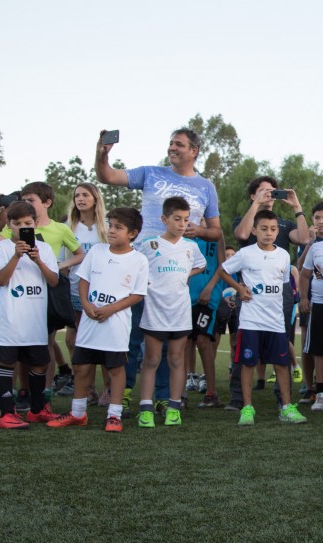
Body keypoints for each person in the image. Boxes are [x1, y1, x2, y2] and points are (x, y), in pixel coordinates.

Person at [95, 127, 222, 412]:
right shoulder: (150, 173)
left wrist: (198, 229)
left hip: (174, 275)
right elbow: (107, 176)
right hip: (139, 269)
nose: (172, 147)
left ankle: (164, 396)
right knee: (130, 336)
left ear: (194, 151)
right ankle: (123, 393)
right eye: (171, 143)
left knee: (167, 342)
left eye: (179, 144)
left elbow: (216, 232)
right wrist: (102, 154)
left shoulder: (206, 187)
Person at [48, 208, 148, 432]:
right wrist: (85, 304)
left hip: (115, 325)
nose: (111, 230)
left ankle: (114, 415)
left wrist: (111, 309)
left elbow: (138, 294)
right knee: (82, 367)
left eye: (118, 227)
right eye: (110, 225)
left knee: (115, 369)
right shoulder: (97, 252)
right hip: (90, 321)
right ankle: (77, 413)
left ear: (133, 233)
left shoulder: (139, 260)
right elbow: (84, 279)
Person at [218, 209, 307, 426]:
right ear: (255, 230)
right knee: (247, 363)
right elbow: (222, 271)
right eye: (264, 229)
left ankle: (286, 407)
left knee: (281, 363)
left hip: (275, 321)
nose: (269, 233)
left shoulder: (284, 255)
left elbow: (285, 282)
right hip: (250, 321)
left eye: (273, 229)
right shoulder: (246, 253)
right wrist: (239, 288)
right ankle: (247, 408)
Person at [135, 197, 206, 428]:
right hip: (155, 310)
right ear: (164, 219)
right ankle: (146, 407)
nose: (182, 224)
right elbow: (135, 264)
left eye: (186, 220)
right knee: (152, 359)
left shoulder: (191, 246)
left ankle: (173, 407)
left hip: (180, 312)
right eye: (177, 219)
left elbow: (201, 265)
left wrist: (185, 275)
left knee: (177, 359)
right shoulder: (148, 244)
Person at [0, 201, 59, 429]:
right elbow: (0, 280)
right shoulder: (1, 248)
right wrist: (16, 256)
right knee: (6, 363)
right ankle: (6, 414)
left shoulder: (45, 249)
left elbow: (54, 281)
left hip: (35, 320)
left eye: (27, 223)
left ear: (35, 223)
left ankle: (37, 410)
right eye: (16, 223)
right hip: (10, 320)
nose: (22, 227)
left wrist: (37, 259)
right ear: (8, 225)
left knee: (40, 364)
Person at [61, 183, 109, 402]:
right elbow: (62, 260)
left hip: (104, 292)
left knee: (104, 340)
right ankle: (86, 387)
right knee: (75, 340)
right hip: (74, 289)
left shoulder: (107, 227)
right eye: (77, 195)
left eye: (85, 194)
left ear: (95, 198)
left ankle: (109, 388)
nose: (80, 198)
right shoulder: (68, 227)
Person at [299, 206, 323, 412]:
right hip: (320, 305)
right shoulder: (317, 247)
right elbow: (304, 274)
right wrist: (304, 297)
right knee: (320, 352)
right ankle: (321, 393)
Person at [186, 228, 226, 409]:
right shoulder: (184, 233)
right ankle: (181, 391)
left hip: (207, 296)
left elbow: (222, 265)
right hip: (183, 296)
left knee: (203, 341)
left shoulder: (216, 234)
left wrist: (210, 287)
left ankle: (211, 393)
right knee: (184, 341)